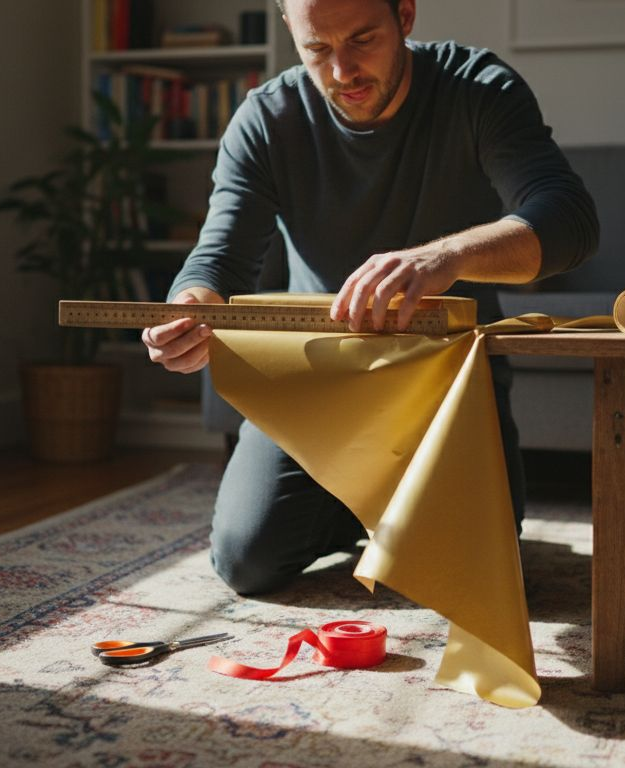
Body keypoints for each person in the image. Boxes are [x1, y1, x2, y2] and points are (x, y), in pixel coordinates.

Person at [141, 0, 598, 595]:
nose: (342, 71)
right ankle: (360, 510)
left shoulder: (476, 88)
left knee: (474, 574)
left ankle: (387, 512)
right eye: (318, 49)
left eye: (362, 40)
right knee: (244, 562)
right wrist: (190, 305)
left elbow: (569, 221)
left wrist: (444, 258)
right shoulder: (265, 119)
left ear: (404, 15)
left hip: (449, 387)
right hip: (316, 386)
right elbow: (219, 259)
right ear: (290, 33)